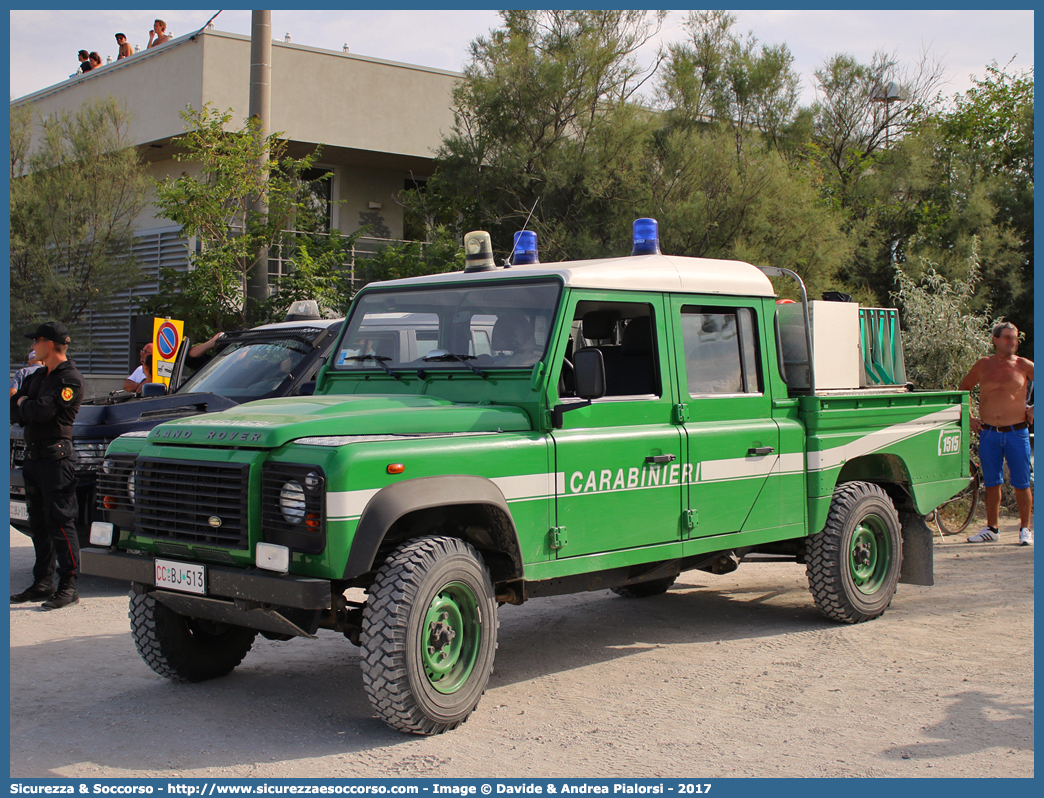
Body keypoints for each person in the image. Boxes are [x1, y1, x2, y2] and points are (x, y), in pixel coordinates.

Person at [10, 321, 86, 610]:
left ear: (51, 344)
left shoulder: (70, 379)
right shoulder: (38, 376)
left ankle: (68, 585)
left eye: (36, 341)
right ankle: (42, 582)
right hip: (33, 459)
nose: (32, 346)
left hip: (56, 461)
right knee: (38, 523)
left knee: (60, 522)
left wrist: (24, 404)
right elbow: (13, 409)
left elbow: (42, 411)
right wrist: (25, 404)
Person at [959, 321, 1034, 546]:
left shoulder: (1024, 365)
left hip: (1016, 431)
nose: (1012, 342)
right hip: (989, 433)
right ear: (995, 340)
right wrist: (969, 417)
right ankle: (992, 528)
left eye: (1015, 338)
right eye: (1008, 338)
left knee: (1021, 482)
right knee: (992, 483)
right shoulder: (983, 365)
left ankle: (1025, 529)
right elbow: (963, 390)